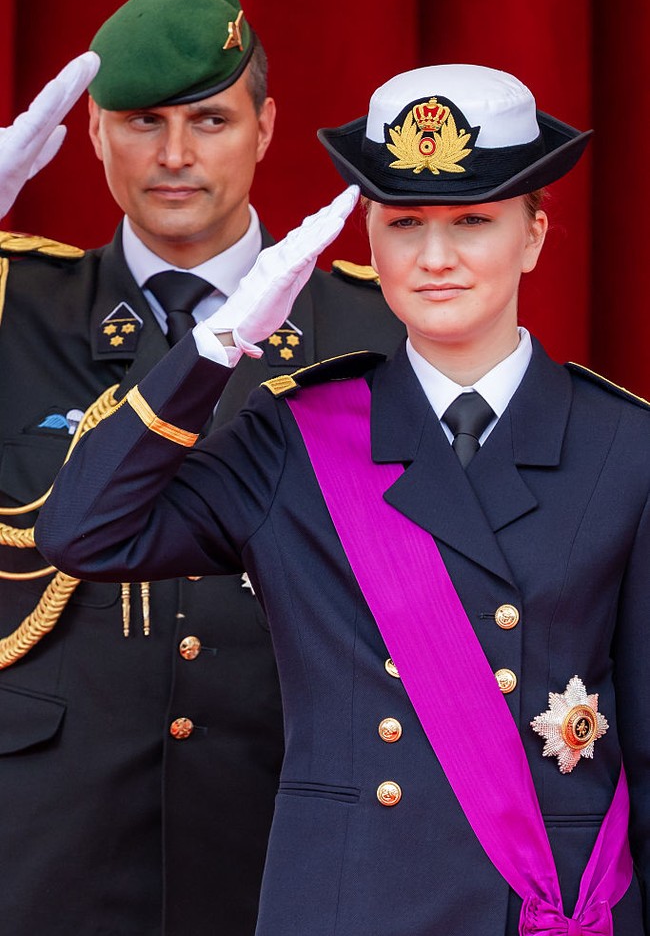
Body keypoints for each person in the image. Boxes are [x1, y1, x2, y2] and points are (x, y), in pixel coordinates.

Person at [36, 62, 649, 935]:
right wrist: (216, 344)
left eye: (473, 221)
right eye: (405, 223)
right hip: (352, 901)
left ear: (534, 235)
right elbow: (84, 532)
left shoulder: (625, 447)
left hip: (548, 904)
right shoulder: (293, 438)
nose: (435, 258)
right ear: (369, 235)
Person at [0, 0, 404, 936]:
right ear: (92, 132)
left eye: (211, 120)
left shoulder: (375, 327)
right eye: (142, 121)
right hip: (46, 850)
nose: (175, 156)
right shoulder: (16, 305)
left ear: (266, 128)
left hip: (289, 837)